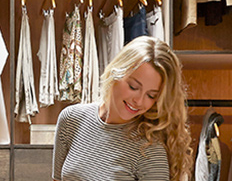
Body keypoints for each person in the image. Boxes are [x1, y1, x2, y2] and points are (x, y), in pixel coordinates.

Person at [52, 36, 192, 181]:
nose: (139, 101)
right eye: (133, 87)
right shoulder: (71, 119)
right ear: (116, 72)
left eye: (151, 96)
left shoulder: (149, 150)